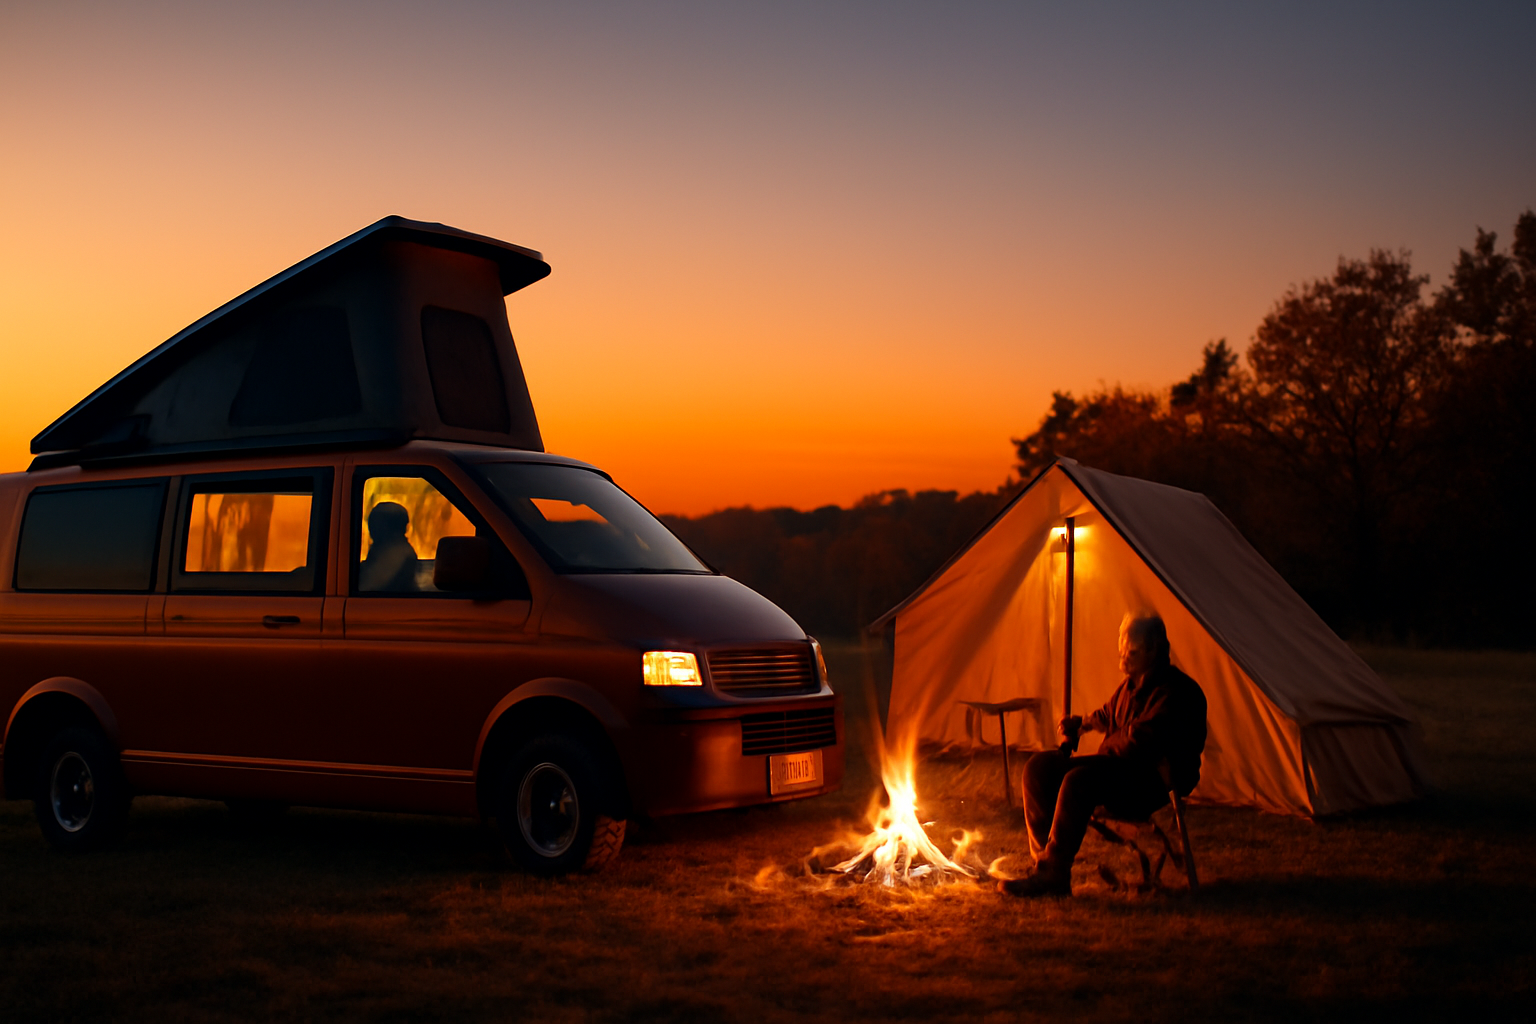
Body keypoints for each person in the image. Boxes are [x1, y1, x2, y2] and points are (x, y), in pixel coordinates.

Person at [1000, 612, 1207, 897]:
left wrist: (1112, 744)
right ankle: (1045, 866)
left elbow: (1141, 740)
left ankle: (1053, 873)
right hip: (1116, 772)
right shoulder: (1130, 686)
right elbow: (1108, 715)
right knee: (1039, 768)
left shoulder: (1179, 693)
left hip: (1149, 783)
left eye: (1131, 651)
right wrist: (1081, 724)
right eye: (1122, 648)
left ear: (1154, 649)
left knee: (1078, 780)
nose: (1124, 656)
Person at [359, 501, 420, 592]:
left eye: (376, 524)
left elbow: (369, 586)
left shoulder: (397, 554)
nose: (372, 529)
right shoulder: (388, 550)